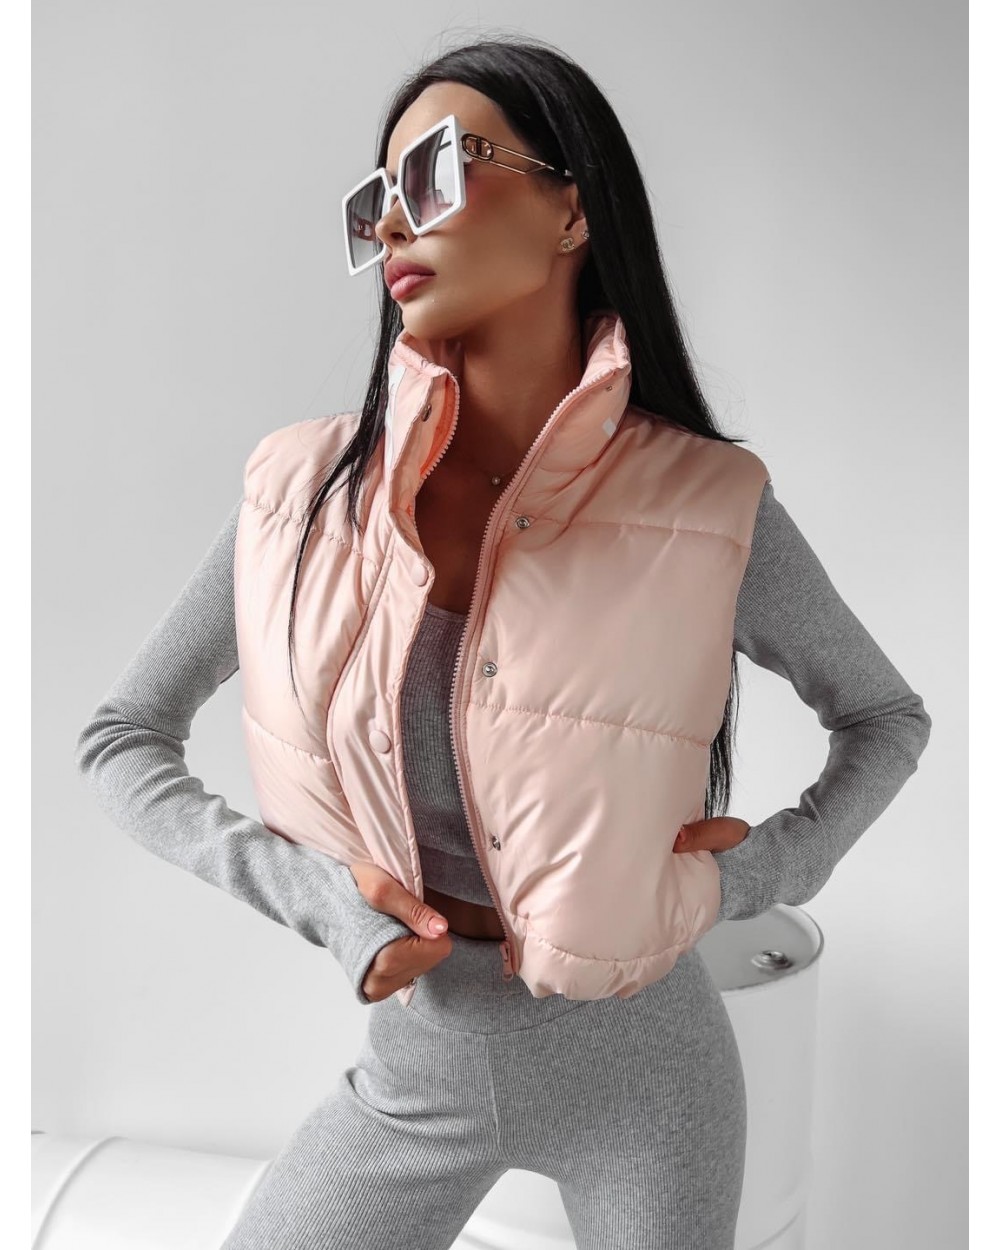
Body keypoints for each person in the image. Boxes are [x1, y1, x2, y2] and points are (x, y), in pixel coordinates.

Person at [74, 37, 932, 1250]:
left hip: (648, 1074)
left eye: (435, 170)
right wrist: (321, 899)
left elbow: (884, 717)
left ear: (571, 207)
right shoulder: (301, 493)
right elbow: (121, 738)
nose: (391, 224)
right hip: (416, 1062)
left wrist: (746, 879)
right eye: (374, 199)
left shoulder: (705, 504)